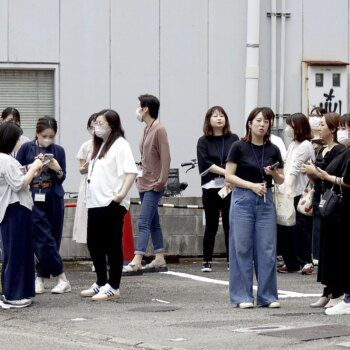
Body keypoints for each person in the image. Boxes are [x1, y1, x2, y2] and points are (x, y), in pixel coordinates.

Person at [225, 107, 284, 309]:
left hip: (266, 200)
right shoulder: (238, 146)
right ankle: (243, 296)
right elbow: (229, 176)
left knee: (267, 249)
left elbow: (281, 178)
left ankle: (267, 296)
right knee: (241, 247)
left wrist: (273, 172)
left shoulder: (273, 149)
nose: (262, 124)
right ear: (250, 123)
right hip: (243, 198)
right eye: (258, 120)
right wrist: (251, 185)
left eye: (266, 122)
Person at [81, 109, 137, 301]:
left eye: (100, 123)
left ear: (111, 125)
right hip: (95, 202)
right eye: (95, 123)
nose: (97, 127)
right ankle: (101, 281)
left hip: (111, 202)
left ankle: (113, 285)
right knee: (94, 243)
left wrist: (120, 195)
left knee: (112, 244)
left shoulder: (120, 145)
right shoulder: (99, 146)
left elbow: (131, 172)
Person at [16, 116, 70, 294]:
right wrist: (33, 166)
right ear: (37, 133)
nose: (48, 139)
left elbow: (62, 178)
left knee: (52, 238)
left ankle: (40, 278)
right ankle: (62, 278)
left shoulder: (59, 151)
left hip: (52, 196)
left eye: (52, 136)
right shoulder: (26, 148)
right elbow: (17, 171)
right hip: (33, 195)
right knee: (42, 238)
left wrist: (56, 168)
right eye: (45, 135)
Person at [301, 113, 345, 309]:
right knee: (323, 249)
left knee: (335, 248)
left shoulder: (340, 151)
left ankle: (337, 291)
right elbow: (317, 176)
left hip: (336, 203)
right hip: (321, 199)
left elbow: (331, 174)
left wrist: (316, 171)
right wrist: (312, 173)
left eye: (322, 124)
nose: (319, 127)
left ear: (332, 128)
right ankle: (327, 291)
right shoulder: (321, 150)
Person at [123, 94, 170, 273]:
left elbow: (166, 157)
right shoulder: (146, 129)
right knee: (152, 222)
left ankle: (137, 259)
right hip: (144, 181)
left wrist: (162, 180)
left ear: (146, 109)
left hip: (154, 184)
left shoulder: (159, 129)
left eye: (139, 106)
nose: (137, 110)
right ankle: (159, 258)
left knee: (143, 221)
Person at [0, 122, 43, 308]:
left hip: (13, 209)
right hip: (15, 208)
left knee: (15, 251)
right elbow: (19, 185)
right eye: (17, 139)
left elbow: (14, 178)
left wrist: (30, 169)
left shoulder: (6, 159)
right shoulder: (5, 159)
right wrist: (34, 168)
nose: (20, 142)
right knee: (17, 252)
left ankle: (15, 292)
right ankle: (13, 295)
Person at [196, 106, 239, 272]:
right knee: (211, 225)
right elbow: (205, 164)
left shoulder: (234, 138)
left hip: (229, 187)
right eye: (215, 116)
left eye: (222, 115)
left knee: (230, 224)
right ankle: (207, 260)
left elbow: (238, 160)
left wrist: (231, 178)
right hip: (211, 188)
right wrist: (228, 173)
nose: (219, 118)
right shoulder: (203, 141)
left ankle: (231, 260)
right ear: (209, 120)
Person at [276, 113, 315, 275]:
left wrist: (288, 187)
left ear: (298, 127)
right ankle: (291, 262)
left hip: (298, 192)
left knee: (299, 228)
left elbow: (295, 168)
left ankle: (306, 261)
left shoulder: (306, 145)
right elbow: (286, 163)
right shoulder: (293, 144)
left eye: (290, 125)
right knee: (285, 228)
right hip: (287, 191)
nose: (287, 129)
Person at [72, 113, 97, 244]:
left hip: (104, 184)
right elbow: (81, 169)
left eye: (96, 126)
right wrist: (88, 166)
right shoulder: (86, 146)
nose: (94, 130)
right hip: (88, 183)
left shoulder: (110, 145)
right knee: (87, 219)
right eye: (90, 128)